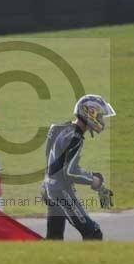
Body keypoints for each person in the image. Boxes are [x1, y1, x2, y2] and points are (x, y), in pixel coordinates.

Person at [41, 94, 115, 241]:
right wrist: (94, 180)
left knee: (54, 238)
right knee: (93, 233)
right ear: (89, 114)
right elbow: (71, 172)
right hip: (60, 191)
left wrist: (45, 184)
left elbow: (51, 161)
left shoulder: (59, 128)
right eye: (99, 116)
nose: (101, 120)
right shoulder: (75, 137)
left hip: (49, 187)